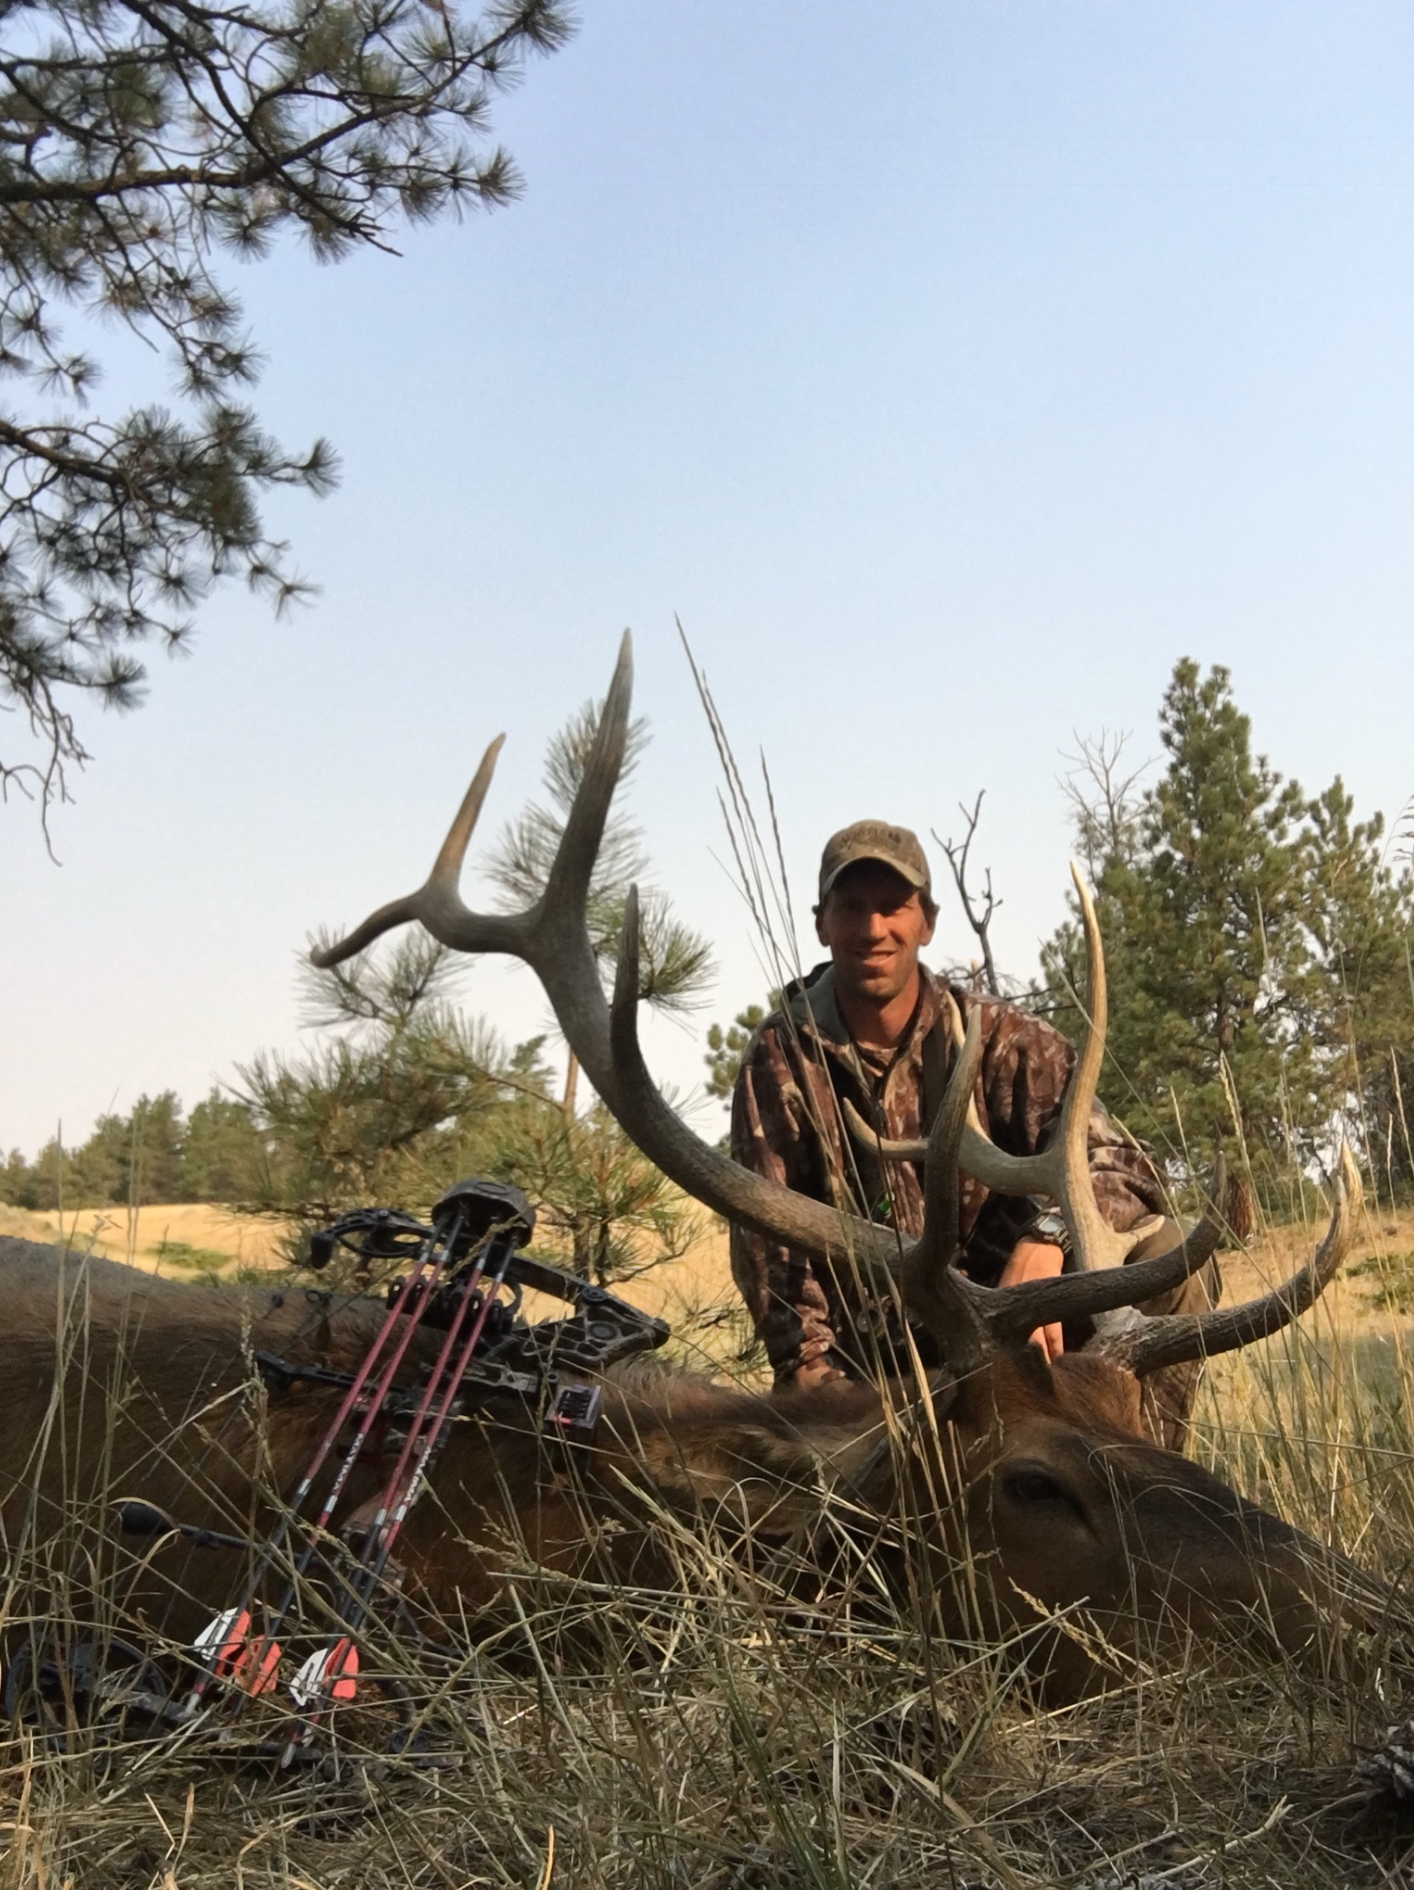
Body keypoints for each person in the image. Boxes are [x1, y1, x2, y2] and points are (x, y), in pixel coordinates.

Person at [728, 819, 1216, 1450]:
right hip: (883, 1369)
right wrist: (820, 1391)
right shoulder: (779, 1060)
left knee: (1168, 1259)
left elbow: (1124, 1163)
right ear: (821, 923)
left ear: (926, 921)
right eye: (852, 908)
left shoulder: (998, 1038)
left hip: (1022, 1328)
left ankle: (1141, 1494)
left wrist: (1050, 1239)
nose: (873, 929)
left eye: (892, 907)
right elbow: (773, 1252)